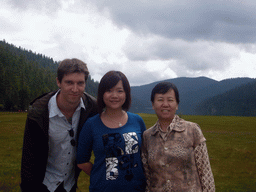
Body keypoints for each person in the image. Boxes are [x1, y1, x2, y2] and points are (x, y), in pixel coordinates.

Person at [20, 58, 98, 192]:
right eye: (69, 82)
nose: (75, 89)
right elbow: (28, 159)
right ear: (58, 82)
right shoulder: (39, 112)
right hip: (43, 183)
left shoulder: (92, 108)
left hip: (70, 184)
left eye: (80, 83)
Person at [77, 71, 146, 191]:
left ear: (126, 94)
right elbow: (82, 162)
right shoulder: (91, 124)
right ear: (102, 94)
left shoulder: (137, 121)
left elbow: (145, 154)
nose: (114, 95)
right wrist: (100, 173)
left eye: (120, 91)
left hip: (137, 188)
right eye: (109, 90)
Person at [141, 82, 215, 192]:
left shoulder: (192, 130)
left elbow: (205, 173)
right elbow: (147, 177)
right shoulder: (147, 136)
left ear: (177, 104)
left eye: (170, 100)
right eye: (160, 100)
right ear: (153, 104)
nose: (165, 104)